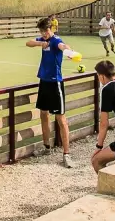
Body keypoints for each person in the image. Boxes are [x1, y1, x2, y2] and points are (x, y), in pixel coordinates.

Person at [27, 17, 73, 168]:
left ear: (51, 29)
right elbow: (28, 43)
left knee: (61, 119)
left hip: (56, 83)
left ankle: (66, 154)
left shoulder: (55, 41)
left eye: (46, 31)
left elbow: (62, 46)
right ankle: (47, 147)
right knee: (43, 114)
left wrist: (69, 50)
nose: (44, 34)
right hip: (44, 81)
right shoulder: (43, 39)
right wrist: (40, 42)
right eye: (42, 31)